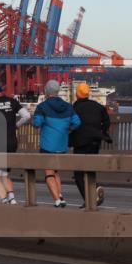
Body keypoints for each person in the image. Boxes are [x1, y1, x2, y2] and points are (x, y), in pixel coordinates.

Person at [32, 80, 80, 208]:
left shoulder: (42, 107)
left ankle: (57, 200)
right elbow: (77, 122)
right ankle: (60, 196)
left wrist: (39, 121)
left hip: (47, 146)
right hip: (62, 146)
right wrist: (67, 129)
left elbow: (37, 123)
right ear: (58, 91)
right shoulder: (68, 106)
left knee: (49, 173)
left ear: (46, 91)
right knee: (56, 172)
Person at [69, 81, 111, 209]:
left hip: (81, 142)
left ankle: (89, 199)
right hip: (96, 141)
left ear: (77, 94)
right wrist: (101, 132)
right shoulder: (98, 106)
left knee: (78, 174)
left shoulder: (74, 107)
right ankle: (95, 190)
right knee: (90, 169)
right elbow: (107, 122)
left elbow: (71, 123)